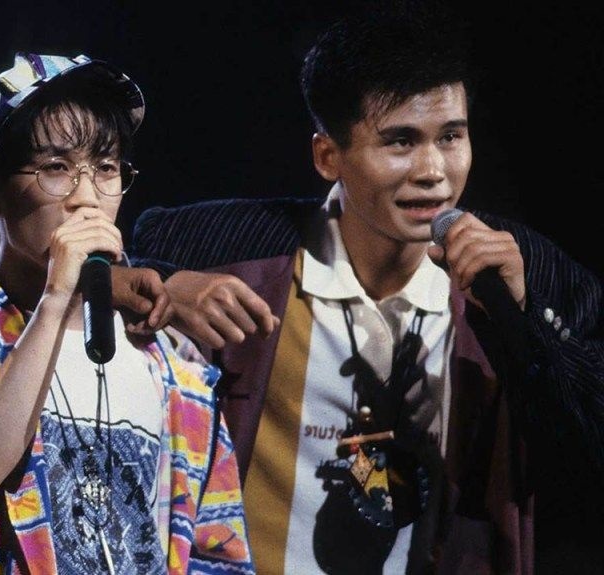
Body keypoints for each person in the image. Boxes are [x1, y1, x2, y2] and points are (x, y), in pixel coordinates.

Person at [128, 2, 604, 573]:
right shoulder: (229, 248)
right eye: (401, 142)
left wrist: (523, 322)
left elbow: (585, 457)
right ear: (328, 155)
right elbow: (72, 288)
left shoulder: (520, 271)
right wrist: (157, 289)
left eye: (451, 136)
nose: (433, 170)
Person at [0, 53, 254, 574]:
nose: (87, 198)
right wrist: (56, 298)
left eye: (105, 168)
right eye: (55, 168)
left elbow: (219, 555)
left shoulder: (177, 368)